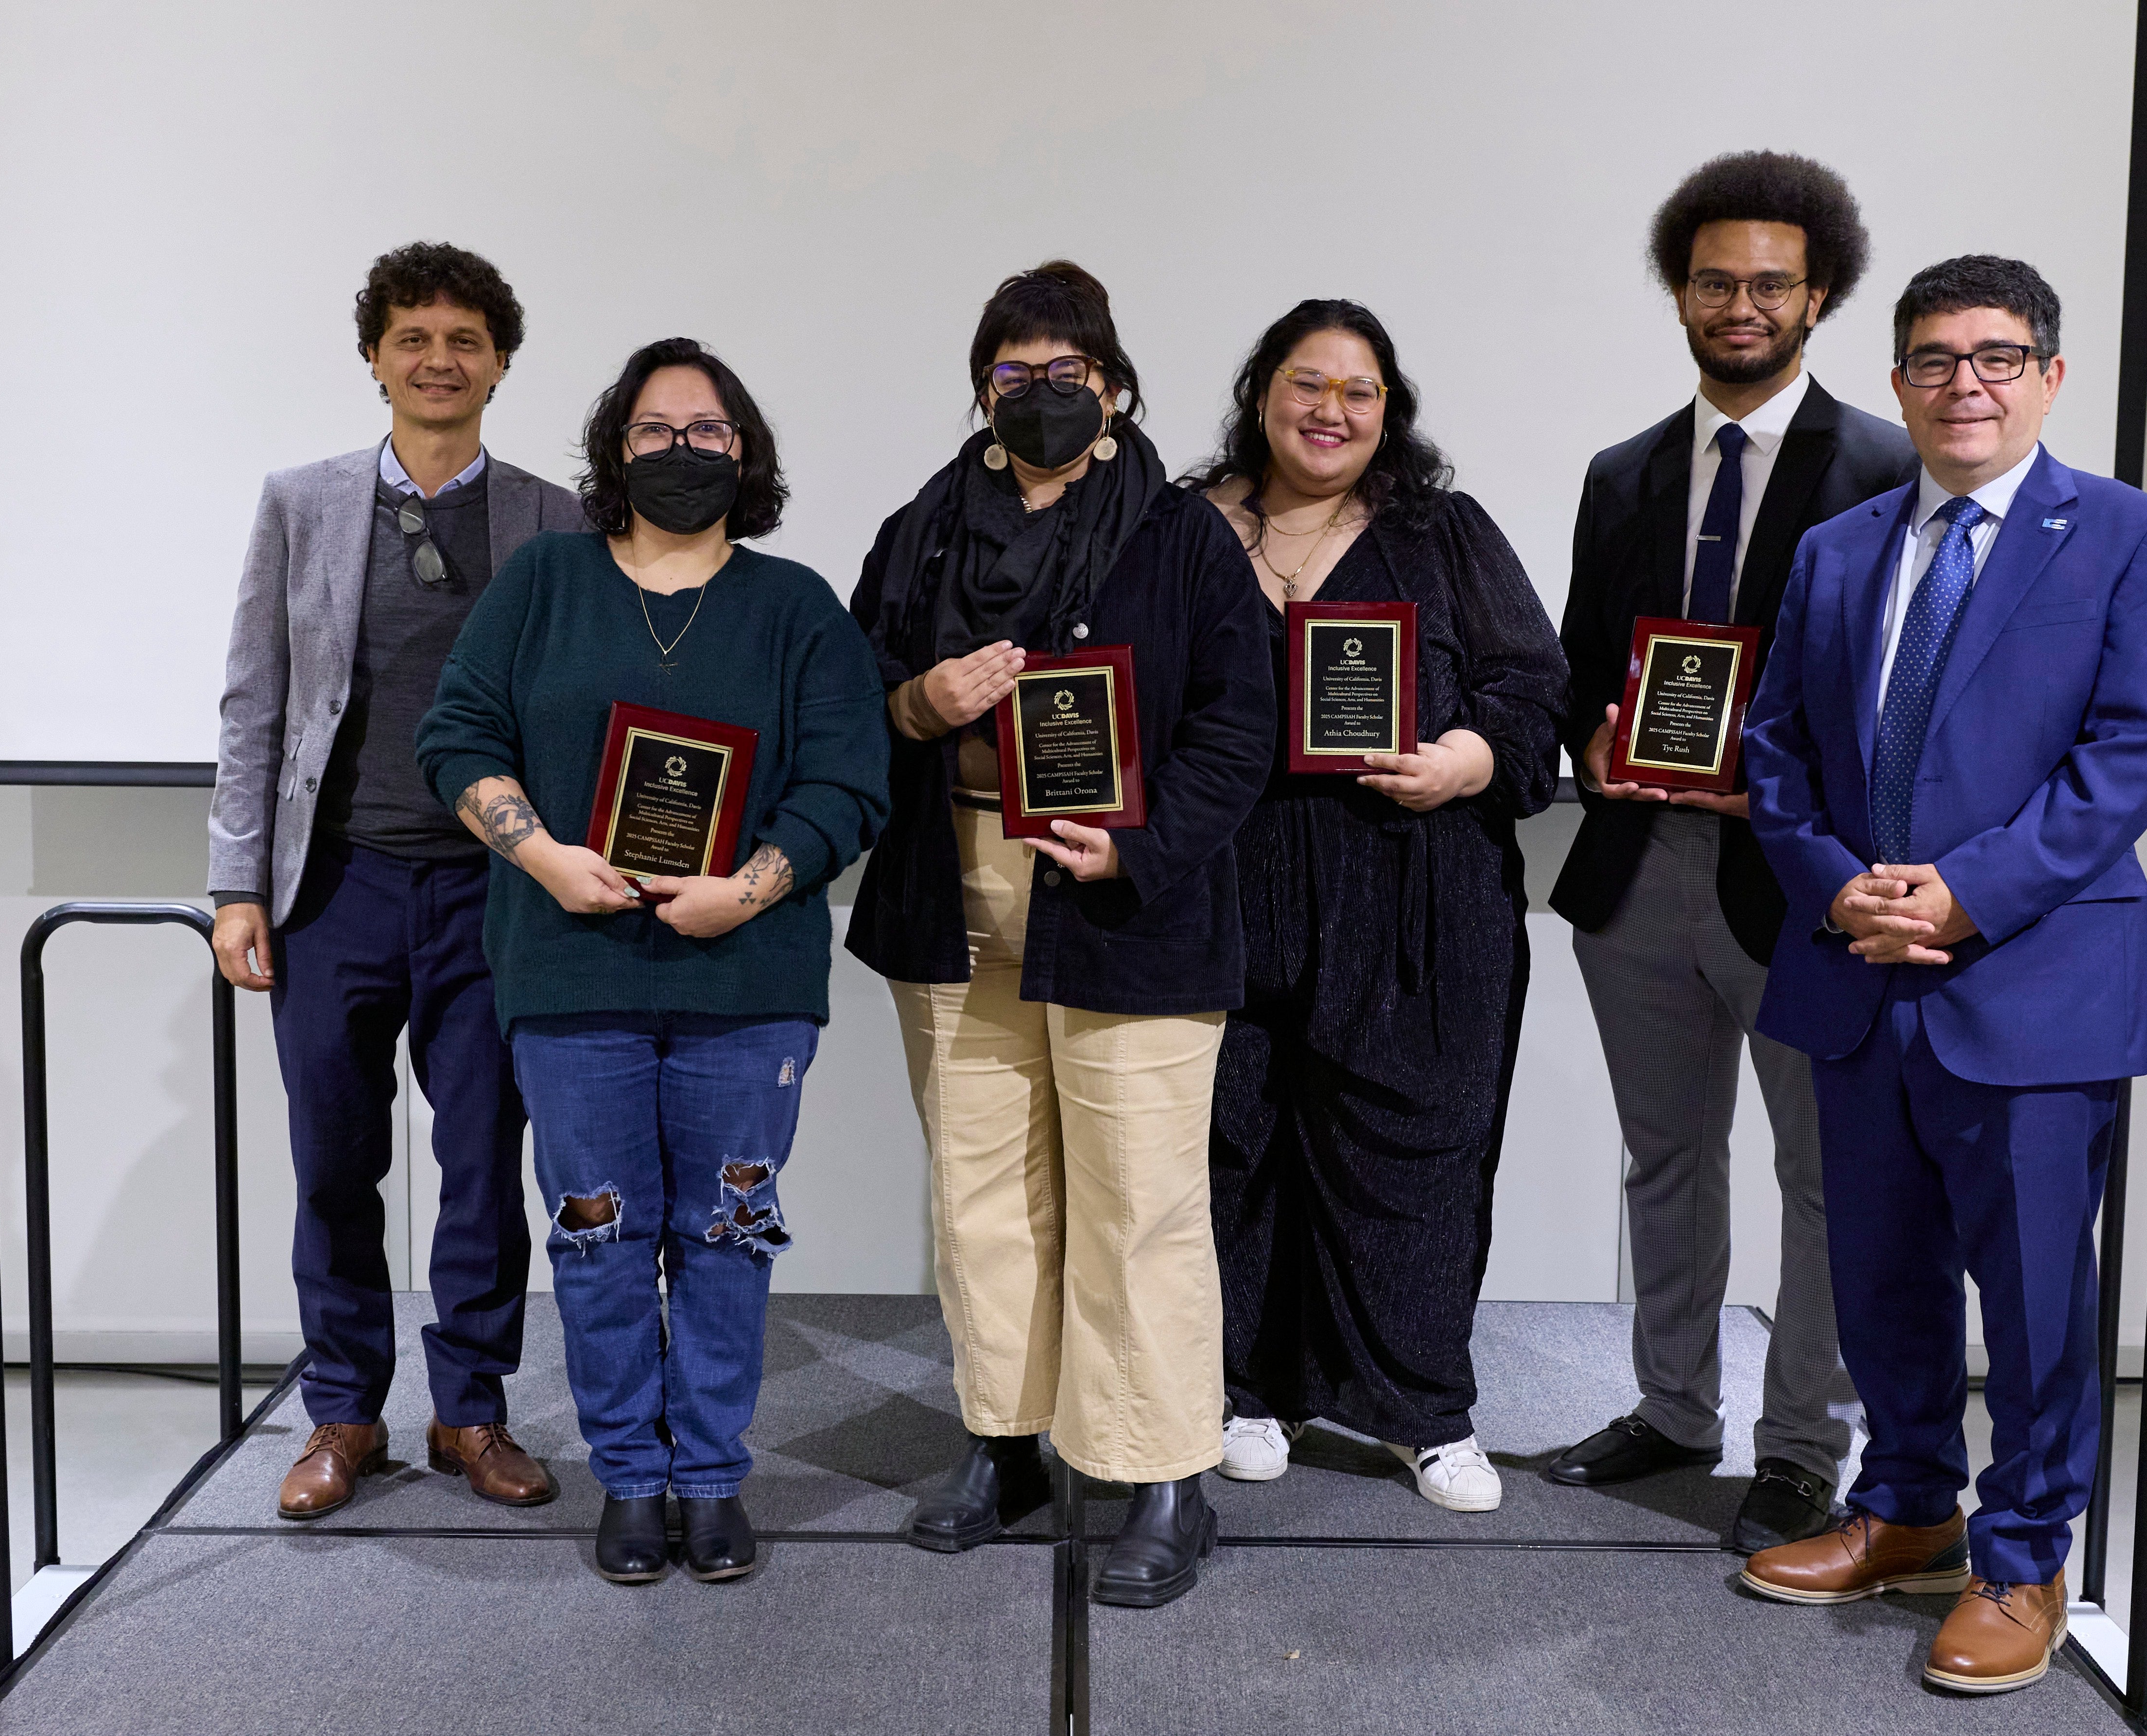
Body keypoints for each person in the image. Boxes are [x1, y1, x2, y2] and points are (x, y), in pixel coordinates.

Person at [1735, 257, 2147, 1697]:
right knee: (1878, 1276)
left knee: (2039, 1299)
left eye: (1998, 357)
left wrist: (1966, 894)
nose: (1966, 384)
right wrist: (1840, 886)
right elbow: (1774, 754)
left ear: (2051, 377)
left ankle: (2023, 1556)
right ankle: (1910, 1503)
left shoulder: (2130, 536)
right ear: (1897, 384)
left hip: (2039, 985)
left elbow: (2128, 755)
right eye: (1934, 359)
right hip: (1858, 973)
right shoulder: (1839, 548)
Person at [416, 337, 890, 1584]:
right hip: (570, 975)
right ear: (614, 451)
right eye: (656, 430)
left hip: (749, 985)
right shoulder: (542, 583)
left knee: (727, 1232)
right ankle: (632, 1471)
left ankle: (712, 1470)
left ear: (746, 453)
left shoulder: (797, 607)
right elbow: (457, 738)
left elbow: (850, 783)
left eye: (708, 430)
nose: (683, 450)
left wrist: (751, 886)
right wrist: (543, 857)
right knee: (599, 1236)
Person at [846, 260, 1275, 1608]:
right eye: (1014, 374)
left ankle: (1159, 1475)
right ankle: (1004, 1442)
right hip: (954, 890)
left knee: (1139, 1201)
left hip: (1123, 900)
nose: (1040, 395)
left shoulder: (1186, 535)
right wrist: (916, 699)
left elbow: (1239, 727)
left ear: (1114, 382)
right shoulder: (922, 526)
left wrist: (1136, 844)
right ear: (983, 386)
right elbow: (852, 690)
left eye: (1065, 373)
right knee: (982, 1193)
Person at [1546, 153, 1913, 1552]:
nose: (1741, 304)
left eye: (1770, 282)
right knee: (1664, 1155)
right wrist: (1590, 736)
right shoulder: (1622, 472)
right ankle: (1671, 1408)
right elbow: (1589, 665)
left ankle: (1804, 1442)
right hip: (1640, 873)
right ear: (1680, 293)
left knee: (1820, 1175)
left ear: (1817, 293)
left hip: (1802, 889)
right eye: (1715, 281)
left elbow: (1899, 698)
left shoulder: (1885, 465)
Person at [207, 241, 582, 1520]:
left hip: (495, 895)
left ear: (499, 363)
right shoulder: (302, 502)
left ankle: (470, 1406)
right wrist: (236, 883)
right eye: (413, 337)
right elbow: (256, 701)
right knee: (333, 1160)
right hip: (335, 888)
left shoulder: (553, 515)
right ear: (374, 355)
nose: (438, 359)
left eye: (464, 340)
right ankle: (341, 1409)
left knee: (485, 1156)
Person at [1192, 302, 1566, 1511]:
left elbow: (1529, 682)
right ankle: (1242, 1387)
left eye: (1359, 393)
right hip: (1225, 890)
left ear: (1387, 412)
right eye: (1308, 384)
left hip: (1417, 892)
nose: (1331, 411)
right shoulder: (1185, 529)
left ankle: (1421, 1412)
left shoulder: (1442, 534)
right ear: (1262, 394)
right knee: (1230, 1141)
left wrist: (1466, 756)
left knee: (1417, 1149)